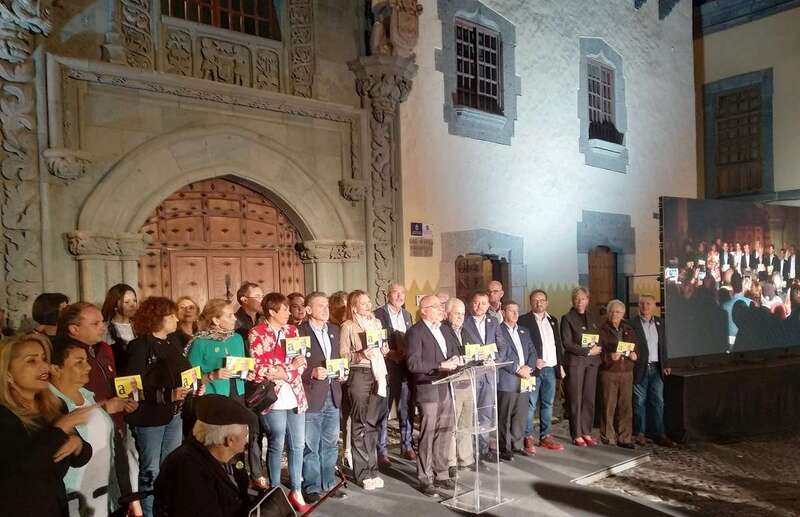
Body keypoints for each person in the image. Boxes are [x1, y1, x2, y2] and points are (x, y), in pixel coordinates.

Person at [54, 303, 139, 515]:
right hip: (79, 489)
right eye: (95, 323)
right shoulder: (61, 361)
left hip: (108, 454)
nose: (102, 327)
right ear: (74, 329)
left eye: (102, 321)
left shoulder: (102, 349)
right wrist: (105, 408)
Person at [0, 334, 93, 516]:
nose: (44, 366)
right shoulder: (4, 416)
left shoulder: (55, 405)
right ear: (8, 374)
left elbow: (81, 457)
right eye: (31, 361)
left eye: (44, 359)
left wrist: (78, 444)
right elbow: (24, 469)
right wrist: (59, 429)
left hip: (55, 506)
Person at [125, 297, 191, 517]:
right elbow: (130, 387)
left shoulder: (173, 342)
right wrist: (166, 395)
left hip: (174, 415)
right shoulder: (139, 347)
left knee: (170, 467)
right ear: (157, 318)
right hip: (150, 417)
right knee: (151, 470)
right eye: (170, 315)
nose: (176, 318)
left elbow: (183, 371)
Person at [248, 292, 310, 513]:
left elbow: (301, 362)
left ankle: (296, 489)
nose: (288, 313)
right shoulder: (257, 333)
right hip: (272, 397)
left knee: (298, 444)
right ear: (272, 312)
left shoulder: (292, 331)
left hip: (294, 394)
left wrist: (287, 370)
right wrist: (288, 368)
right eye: (284, 309)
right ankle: (274, 491)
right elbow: (259, 368)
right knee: (277, 442)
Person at [154, 394, 258, 517]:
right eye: (245, 435)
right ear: (230, 440)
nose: (247, 441)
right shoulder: (189, 472)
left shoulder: (208, 456)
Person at [405, 295, 461, 497]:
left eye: (441, 306)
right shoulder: (415, 332)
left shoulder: (445, 329)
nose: (441, 310)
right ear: (424, 310)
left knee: (445, 431)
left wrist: (457, 359)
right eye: (436, 307)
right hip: (427, 388)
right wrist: (439, 365)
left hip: (445, 386)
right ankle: (424, 476)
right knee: (428, 433)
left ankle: (442, 473)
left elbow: (455, 351)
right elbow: (413, 364)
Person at [299, 292, 347, 502]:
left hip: (333, 392)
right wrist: (311, 372)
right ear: (308, 310)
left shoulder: (334, 330)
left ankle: (328, 483)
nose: (326, 309)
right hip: (311, 394)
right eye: (320, 306)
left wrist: (343, 372)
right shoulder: (299, 332)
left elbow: (337, 360)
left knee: (330, 443)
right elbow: (292, 364)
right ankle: (311, 486)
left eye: (327, 305)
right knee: (310, 444)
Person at [339, 290, 388, 490]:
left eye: (369, 302)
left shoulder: (376, 324)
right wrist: (359, 355)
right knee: (359, 424)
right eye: (363, 303)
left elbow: (383, 346)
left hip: (378, 375)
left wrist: (384, 349)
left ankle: (372, 470)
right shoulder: (348, 326)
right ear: (354, 307)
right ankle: (361, 473)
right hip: (359, 374)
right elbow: (342, 355)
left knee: (371, 425)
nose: (368, 306)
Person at [518, 289, 565, 453]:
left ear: (547, 302)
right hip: (533, 370)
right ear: (531, 302)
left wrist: (560, 365)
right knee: (530, 405)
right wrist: (532, 361)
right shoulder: (524, 320)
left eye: (542, 300)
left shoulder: (553, 320)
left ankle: (545, 437)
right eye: (536, 300)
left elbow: (557, 345)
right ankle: (528, 437)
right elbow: (521, 346)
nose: (539, 303)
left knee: (548, 404)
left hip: (551, 369)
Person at [373, 282, 415, 463]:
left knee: (406, 409)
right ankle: (381, 451)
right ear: (388, 295)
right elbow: (375, 341)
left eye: (402, 293)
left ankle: (407, 445)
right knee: (384, 410)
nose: (399, 297)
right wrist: (391, 354)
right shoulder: (378, 315)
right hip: (387, 367)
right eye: (395, 293)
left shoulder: (407, 315)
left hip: (405, 368)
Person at [495, 301, 537, 462]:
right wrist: (517, 369)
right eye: (511, 311)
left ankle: (516, 444)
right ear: (504, 312)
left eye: (517, 311)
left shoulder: (524, 331)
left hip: (525, 379)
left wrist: (529, 367)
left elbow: (533, 352)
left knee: (520, 414)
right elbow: (501, 355)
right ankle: (504, 448)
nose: (515, 314)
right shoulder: (498, 331)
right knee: (504, 416)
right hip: (508, 379)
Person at [631, 295, 675, 448]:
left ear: (654, 306)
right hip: (640, 368)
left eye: (648, 304)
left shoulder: (660, 323)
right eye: (642, 304)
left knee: (658, 402)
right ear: (638, 306)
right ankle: (640, 433)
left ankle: (659, 433)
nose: (645, 307)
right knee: (639, 402)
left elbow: (663, 345)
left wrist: (666, 363)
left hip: (657, 368)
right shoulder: (631, 323)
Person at [560, 287, 601, 447]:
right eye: (577, 299)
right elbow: (567, 343)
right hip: (576, 363)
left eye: (583, 298)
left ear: (588, 300)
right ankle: (576, 433)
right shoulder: (567, 318)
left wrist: (597, 348)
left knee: (589, 398)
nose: (580, 302)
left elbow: (597, 338)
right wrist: (587, 351)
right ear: (573, 300)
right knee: (576, 399)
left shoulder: (592, 317)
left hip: (592, 364)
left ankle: (586, 431)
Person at [461, 290, 499, 460]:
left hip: (489, 374)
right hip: (472, 372)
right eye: (476, 303)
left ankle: (483, 450)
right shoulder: (464, 321)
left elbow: (502, 343)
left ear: (488, 305)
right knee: (470, 413)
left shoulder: (493, 321)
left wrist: (495, 358)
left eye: (483, 303)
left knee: (486, 413)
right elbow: (461, 346)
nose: (479, 307)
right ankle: (470, 451)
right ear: (471, 304)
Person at [598, 300, 638, 449]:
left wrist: (634, 355)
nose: (615, 314)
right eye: (612, 311)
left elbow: (636, 347)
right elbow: (596, 353)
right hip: (609, 373)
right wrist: (609, 357)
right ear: (608, 313)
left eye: (618, 312)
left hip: (627, 372)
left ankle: (624, 438)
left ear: (623, 314)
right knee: (608, 406)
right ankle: (607, 437)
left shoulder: (629, 329)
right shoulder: (601, 329)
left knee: (626, 407)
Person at [442, 298, 475, 477]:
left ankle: (466, 457)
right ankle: (451, 461)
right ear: (447, 314)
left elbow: (473, 350)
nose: (461, 317)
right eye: (457, 313)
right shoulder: (442, 330)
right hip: (452, 379)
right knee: (452, 424)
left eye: (463, 314)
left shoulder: (465, 330)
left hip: (468, 378)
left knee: (465, 421)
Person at [188, 299, 246, 401]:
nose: (235, 318)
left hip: (239, 394)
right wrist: (212, 376)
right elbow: (189, 380)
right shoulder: (200, 342)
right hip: (212, 396)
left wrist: (248, 374)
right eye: (229, 316)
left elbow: (242, 368)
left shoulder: (237, 338)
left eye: (233, 315)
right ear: (216, 320)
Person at [101, 284, 139, 373]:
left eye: (135, 301)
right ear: (115, 305)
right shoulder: (104, 328)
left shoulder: (140, 327)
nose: (133, 305)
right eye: (127, 302)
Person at [234, 282, 263, 348]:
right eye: (257, 296)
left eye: (262, 296)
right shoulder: (234, 320)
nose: (262, 300)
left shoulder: (264, 320)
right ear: (244, 300)